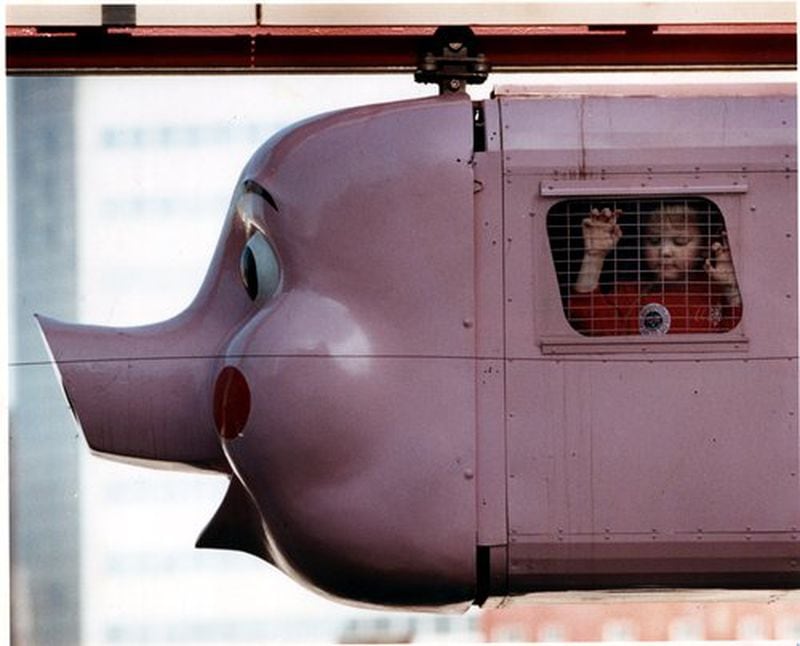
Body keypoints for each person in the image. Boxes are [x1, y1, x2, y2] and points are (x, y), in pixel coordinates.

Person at [567, 204, 742, 336]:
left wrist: (731, 289)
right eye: (654, 241)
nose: (665, 252)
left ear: (704, 247)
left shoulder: (716, 289)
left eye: (680, 242)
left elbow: (740, 336)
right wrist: (594, 256)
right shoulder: (629, 292)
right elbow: (587, 321)